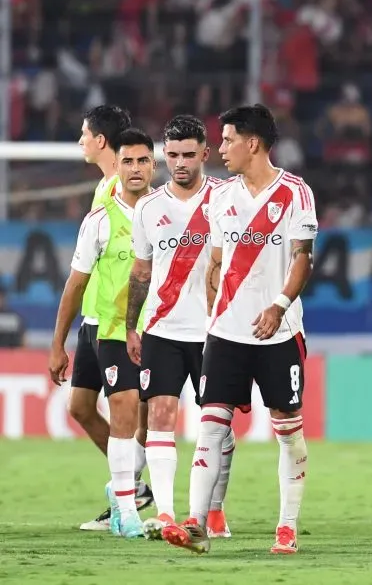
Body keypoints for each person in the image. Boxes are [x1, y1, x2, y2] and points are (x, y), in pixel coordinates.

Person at [161, 104, 317, 556]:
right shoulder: (221, 197)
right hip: (227, 334)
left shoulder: (295, 193)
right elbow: (214, 262)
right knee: (211, 426)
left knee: (288, 430)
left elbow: (303, 257)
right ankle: (196, 523)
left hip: (279, 332)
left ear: (253, 143)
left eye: (228, 140)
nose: (221, 148)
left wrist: (279, 304)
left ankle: (286, 526)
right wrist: (215, 318)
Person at [124, 115, 235, 540]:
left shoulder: (227, 198)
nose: (181, 163)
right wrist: (131, 326)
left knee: (217, 426)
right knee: (160, 415)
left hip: (217, 331)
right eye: (172, 155)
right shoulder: (149, 208)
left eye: (189, 154)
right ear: (162, 156)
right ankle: (168, 515)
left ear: (206, 154)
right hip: (163, 329)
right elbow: (141, 270)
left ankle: (214, 509)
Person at [49, 128, 156, 537]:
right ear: (120, 163)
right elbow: (76, 282)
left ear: (152, 164)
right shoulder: (101, 214)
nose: (133, 169)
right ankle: (127, 499)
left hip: (145, 329)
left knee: (135, 410)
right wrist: (57, 343)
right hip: (102, 326)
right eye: (127, 161)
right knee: (91, 408)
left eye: (142, 161)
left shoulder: (166, 214)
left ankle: (129, 500)